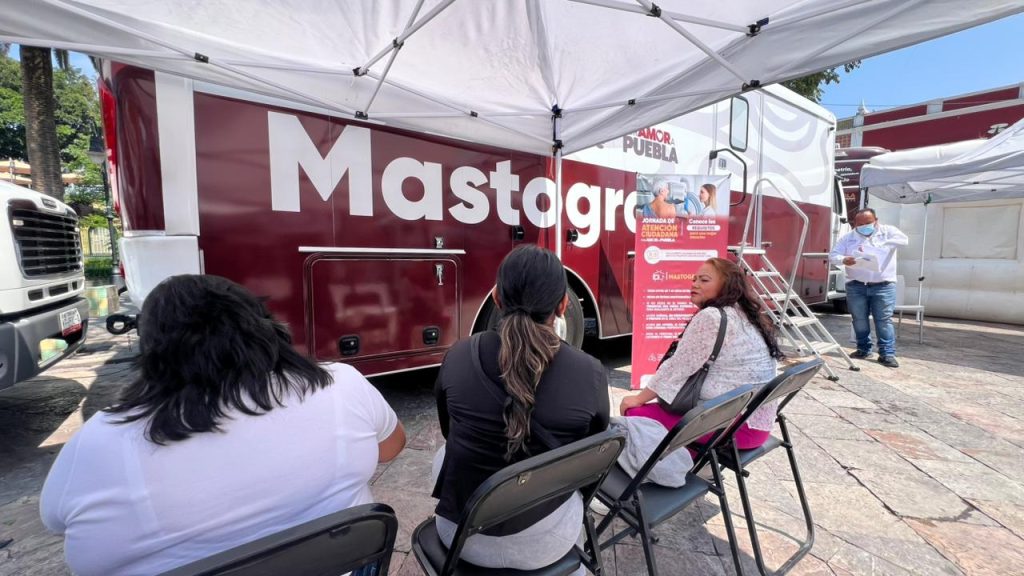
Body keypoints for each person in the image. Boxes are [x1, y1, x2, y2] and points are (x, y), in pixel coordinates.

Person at [40, 275, 406, 576]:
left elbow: (56, 523)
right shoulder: (340, 383)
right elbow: (390, 447)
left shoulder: (102, 441)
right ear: (264, 327)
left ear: (153, 350)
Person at [431, 245, 609, 571]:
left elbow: (448, 430)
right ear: (563, 304)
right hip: (545, 543)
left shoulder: (458, 355)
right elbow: (592, 457)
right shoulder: (590, 373)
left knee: (444, 454)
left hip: (460, 535)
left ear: (496, 298)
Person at [619, 258, 782, 451]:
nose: (695, 284)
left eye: (704, 280)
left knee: (634, 412)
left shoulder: (712, 316)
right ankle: (689, 460)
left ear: (727, 285)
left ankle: (676, 464)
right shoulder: (744, 313)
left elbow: (677, 368)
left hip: (732, 428)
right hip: (753, 424)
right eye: (694, 279)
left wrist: (638, 399)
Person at [829, 208, 909, 368]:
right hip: (856, 285)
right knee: (859, 319)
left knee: (883, 320)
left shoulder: (888, 232)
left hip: (883, 285)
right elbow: (833, 255)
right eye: (860, 224)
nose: (864, 226)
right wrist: (844, 259)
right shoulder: (848, 237)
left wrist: (881, 244)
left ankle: (887, 354)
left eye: (868, 223)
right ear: (854, 224)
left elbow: (904, 241)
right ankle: (863, 349)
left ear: (876, 220)